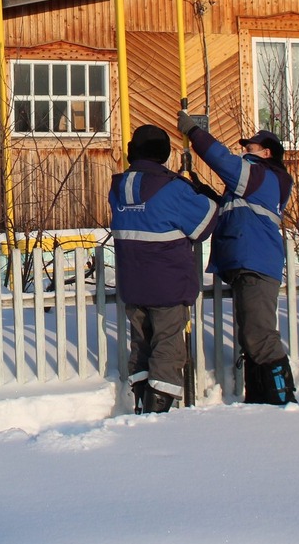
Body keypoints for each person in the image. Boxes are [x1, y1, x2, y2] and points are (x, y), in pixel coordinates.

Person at [177, 111, 298, 405]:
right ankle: (261, 400)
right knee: (252, 339)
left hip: (256, 264)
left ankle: (282, 400)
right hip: (250, 263)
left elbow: (221, 159)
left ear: (266, 153)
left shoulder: (263, 175)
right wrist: (202, 189)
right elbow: (232, 212)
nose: (244, 150)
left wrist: (194, 132)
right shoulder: (256, 184)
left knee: (260, 337)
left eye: (250, 147)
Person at [109, 124, 218, 413]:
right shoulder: (173, 189)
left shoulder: (118, 188)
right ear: (165, 153)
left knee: (141, 346)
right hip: (168, 285)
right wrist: (200, 190)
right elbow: (206, 223)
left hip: (133, 284)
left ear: (133, 152)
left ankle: (141, 401)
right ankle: (159, 413)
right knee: (168, 349)